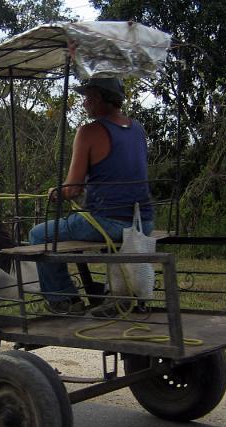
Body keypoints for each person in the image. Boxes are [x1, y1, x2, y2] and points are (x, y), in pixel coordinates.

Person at [28, 76, 154, 314]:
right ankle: (114, 295)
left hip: (108, 223)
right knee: (76, 224)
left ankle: (64, 301)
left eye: (87, 99)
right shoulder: (137, 128)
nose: (84, 104)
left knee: (38, 235)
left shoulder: (88, 132)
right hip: (143, 222)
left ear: (98, 99)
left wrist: (56, 192)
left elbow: (72, 188)